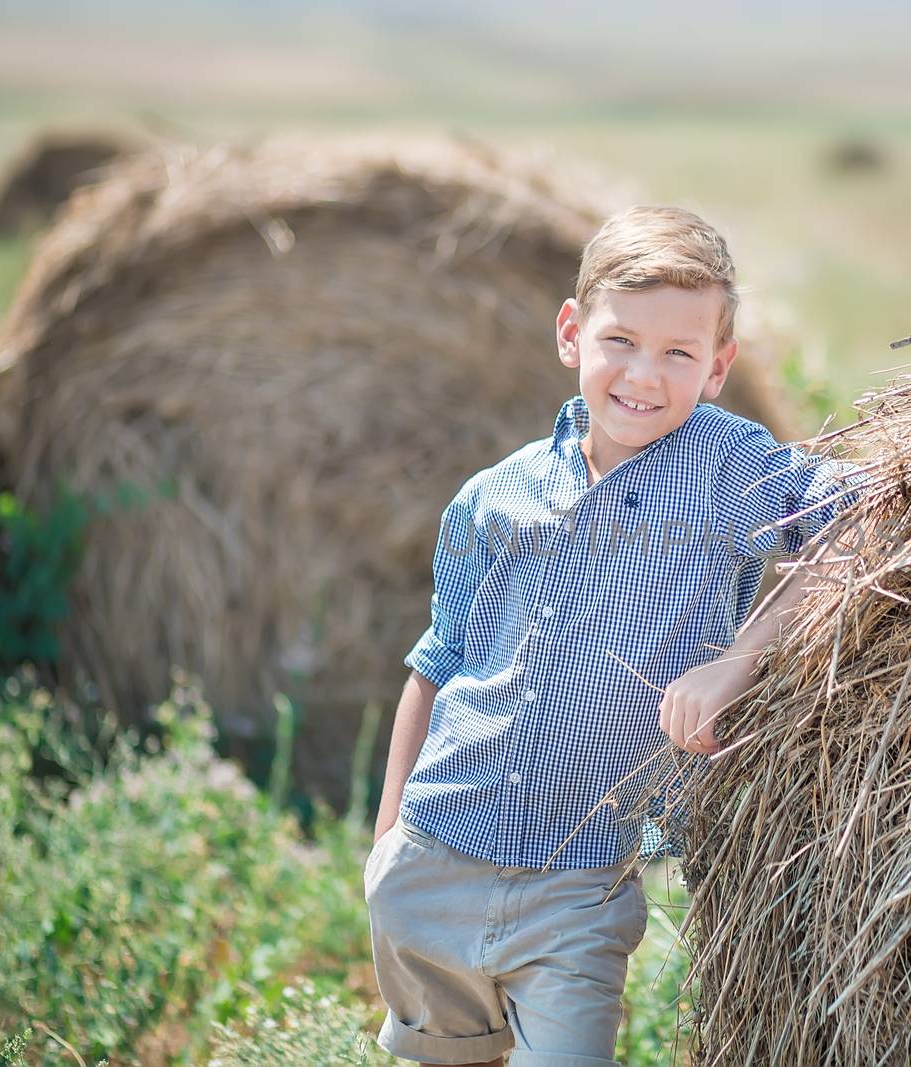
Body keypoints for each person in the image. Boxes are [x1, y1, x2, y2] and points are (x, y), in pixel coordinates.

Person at [364, 204, 862, 1066]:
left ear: (719, 366)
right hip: (432, 863)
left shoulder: (731, 466)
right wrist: (387, 842)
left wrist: (735, 663)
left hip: (579, 888)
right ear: (572, 334)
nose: (644, 373)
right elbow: (437, 663)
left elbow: (861, 520)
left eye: (679, 352)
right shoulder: (496, 496)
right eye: (621, 341)